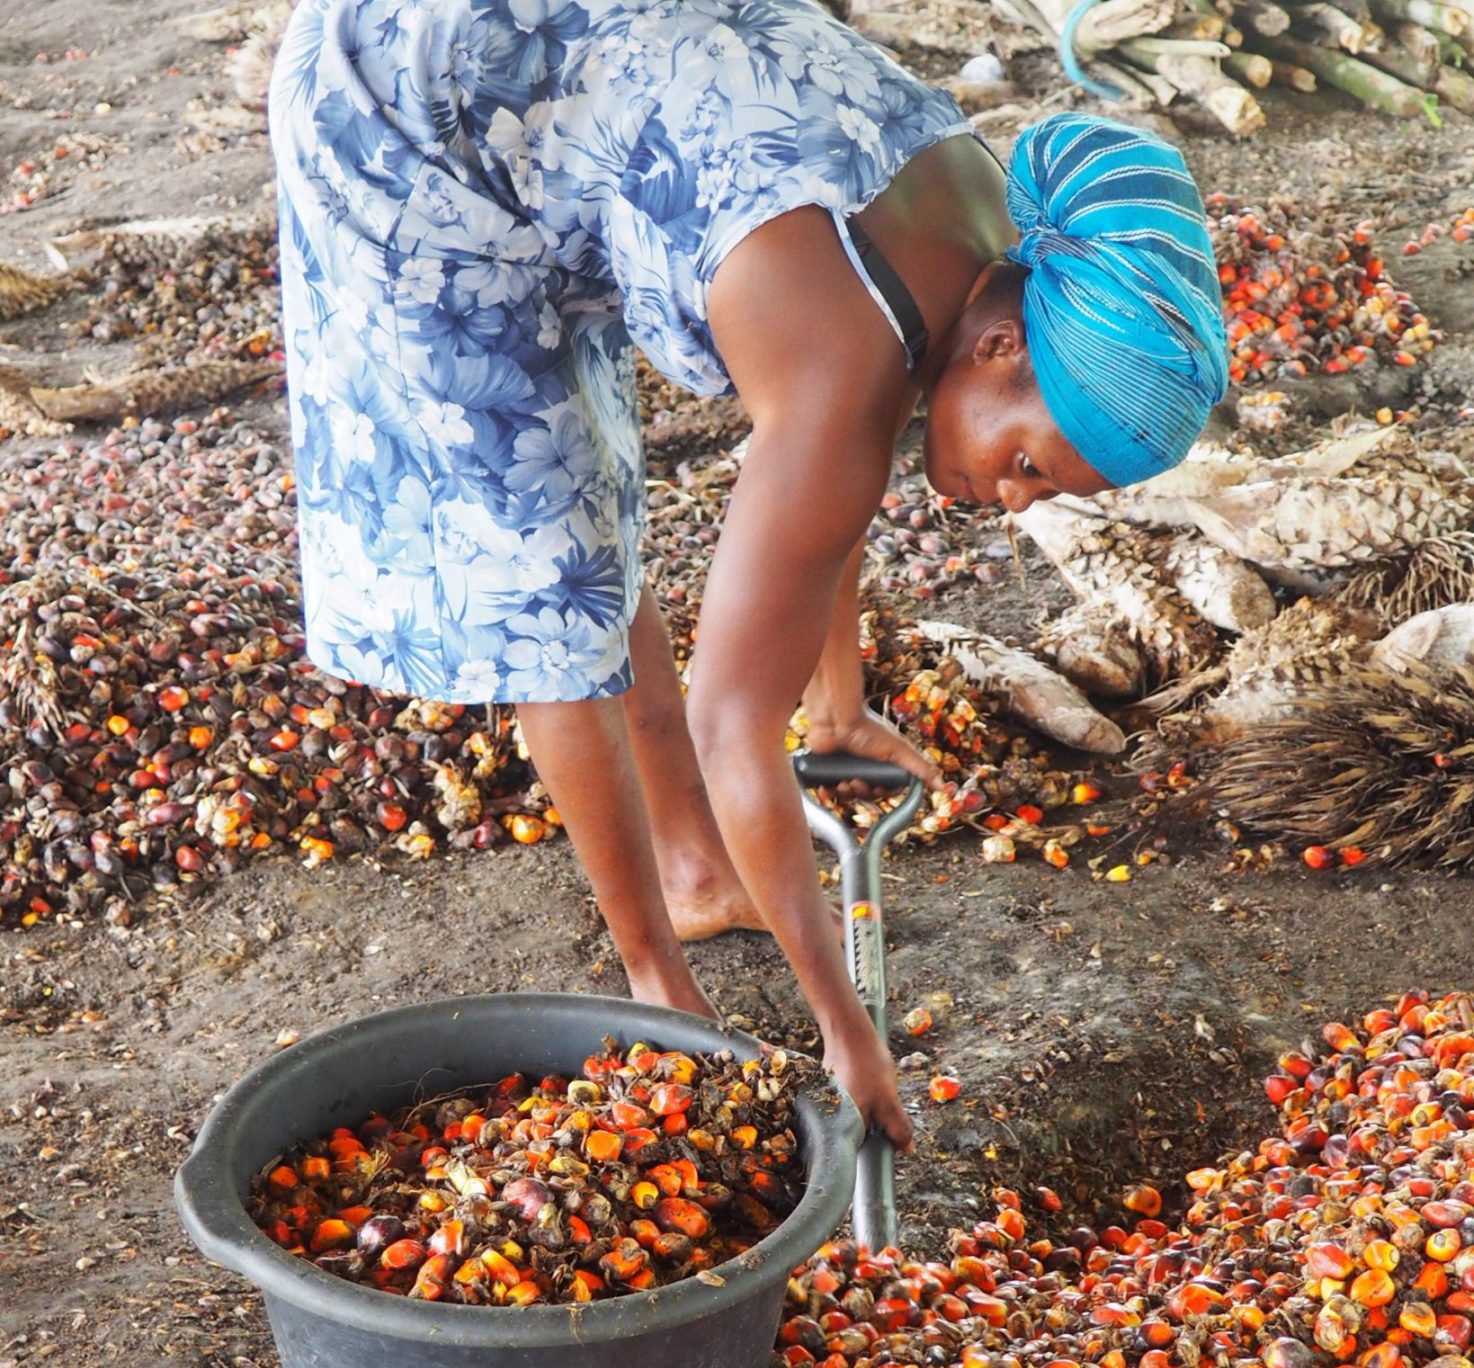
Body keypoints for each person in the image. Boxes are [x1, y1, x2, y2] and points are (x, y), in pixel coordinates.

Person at [268, 0, 1227, 1151]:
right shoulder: (843, 340)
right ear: (1000, 346)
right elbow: (736, 724)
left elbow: (838, 488)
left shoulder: (987, 239)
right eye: (1026, 459)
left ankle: (696, 867)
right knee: (545, 579)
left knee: (591, 492)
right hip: (405, 98)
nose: (1016, 500)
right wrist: (843, 1024)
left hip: (549, 77)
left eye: (1044, 489)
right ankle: (656, 981)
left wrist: (841, 700)